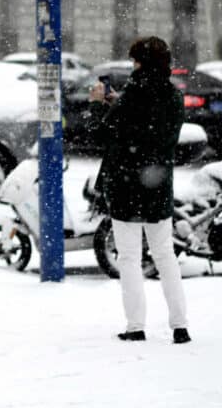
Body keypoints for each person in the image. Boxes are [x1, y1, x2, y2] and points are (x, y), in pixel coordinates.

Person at [89, 36, 191, 344]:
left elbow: (105, 134)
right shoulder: (173, 96)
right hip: (158, 185)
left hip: (125, 186)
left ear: (141, 63)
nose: (132, 65)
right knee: (165, 255)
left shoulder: (134, 94)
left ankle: (136, 326)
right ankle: (180, 326)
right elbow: (153, 129)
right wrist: (117, 104)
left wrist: (97, 105)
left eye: (135, 61)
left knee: (130, 257)